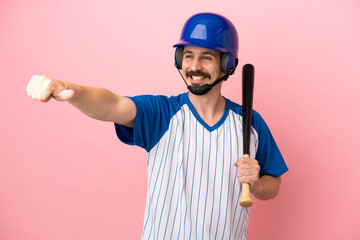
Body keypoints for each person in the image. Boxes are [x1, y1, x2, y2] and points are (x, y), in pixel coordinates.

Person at [26, 12, 288, 239]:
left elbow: (272, 184)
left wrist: (255, 184)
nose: (194, 67)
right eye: (187, 56)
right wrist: (69, 88)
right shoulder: (161, 114)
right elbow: (112, 104)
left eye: (206, 57)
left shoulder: (250, 123)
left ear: (226, 64)